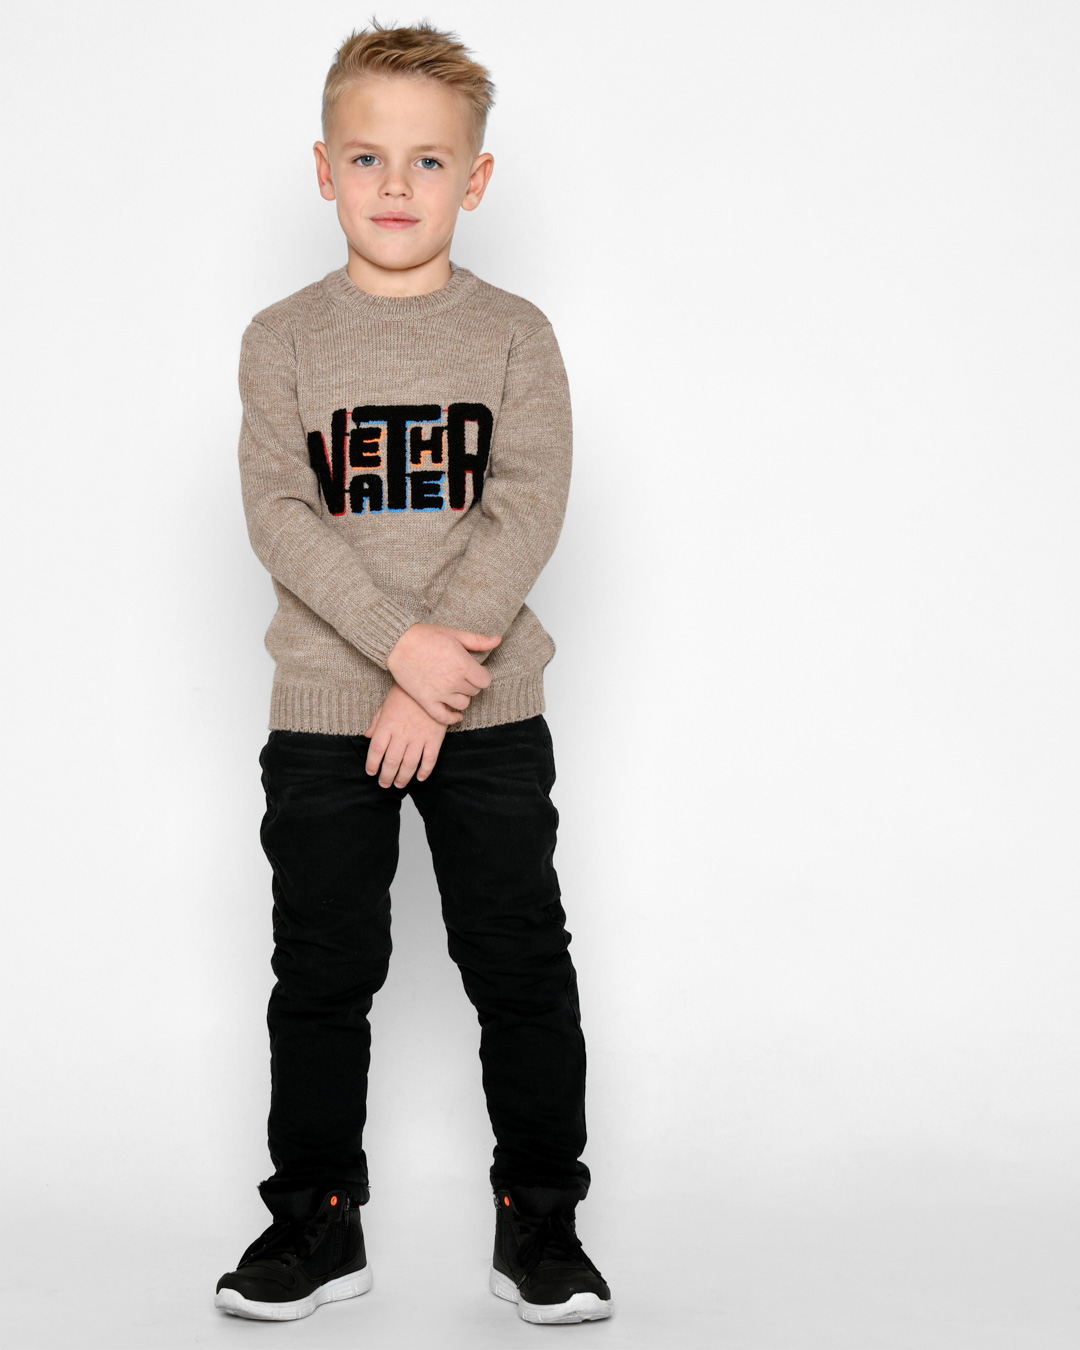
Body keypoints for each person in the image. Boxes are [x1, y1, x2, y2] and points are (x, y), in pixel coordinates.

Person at [213, 18, 612, 1327]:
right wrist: (400, 650)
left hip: (488, 712)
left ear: (475, 179)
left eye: (429, 161)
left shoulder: (514, 335)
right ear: (323, 169)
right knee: (323, 970)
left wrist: (431, 683)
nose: (397, 185)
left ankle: (542, 1221)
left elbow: (527, 507)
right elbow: (281, 516)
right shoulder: (281, 339)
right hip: (325, 716)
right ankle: (315, 1221)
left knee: (520, 960)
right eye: (369, 157)